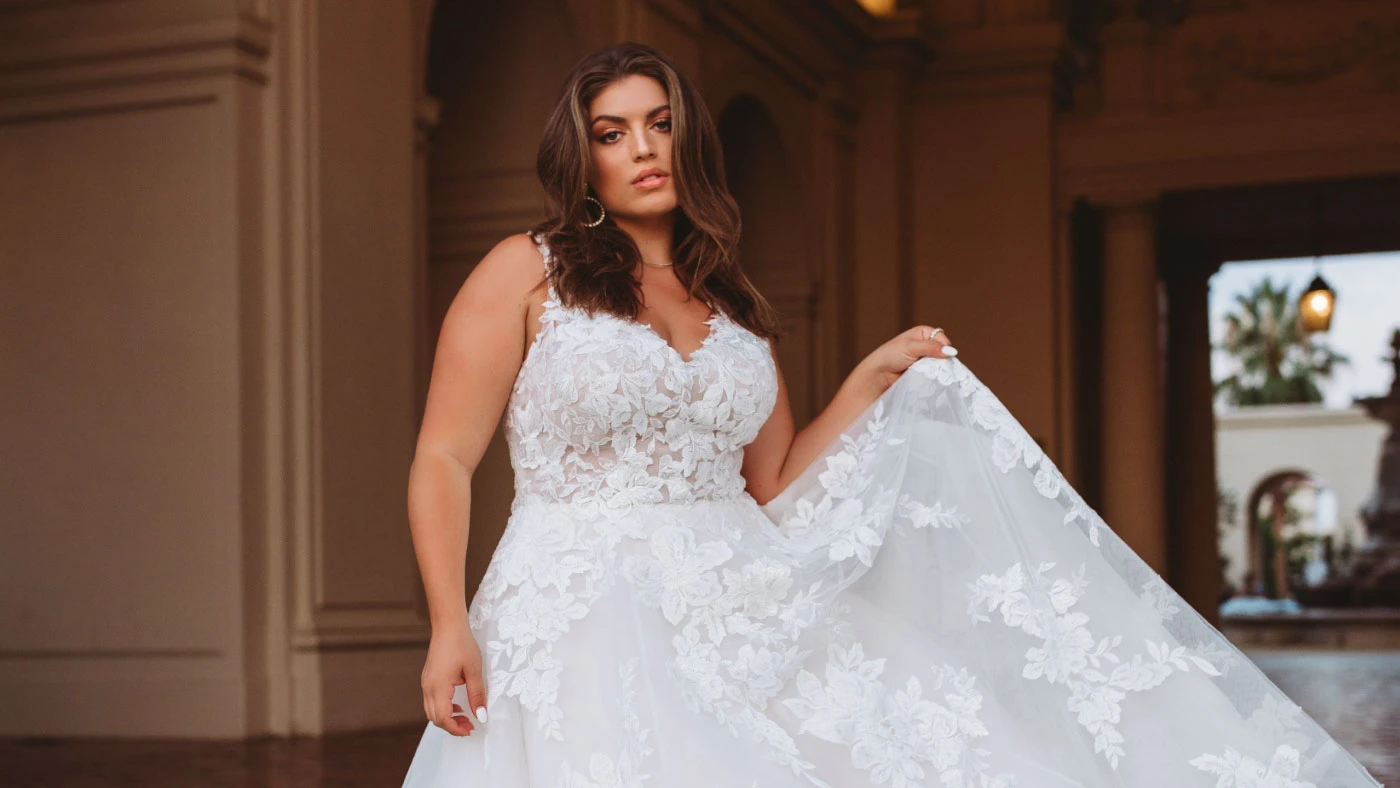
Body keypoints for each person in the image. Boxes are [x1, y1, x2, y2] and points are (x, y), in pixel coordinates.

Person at [400, 42, 1382, 788]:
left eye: (657, 123)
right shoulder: (526, 272)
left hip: (738, 604)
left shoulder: (727, 300)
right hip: (578, 612)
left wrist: (869, 378)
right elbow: (444, 453)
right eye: (611, 133)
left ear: (684, 138)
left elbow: (773, 480)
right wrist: (448, 618)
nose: (640, 148)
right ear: (581, 158)